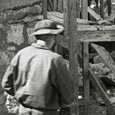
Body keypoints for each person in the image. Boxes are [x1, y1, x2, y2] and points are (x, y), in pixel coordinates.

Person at [2, 19, 75, 115]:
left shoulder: (21, 54)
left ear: (36, 36)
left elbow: (7, 84)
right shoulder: (55, 60)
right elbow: (68, 95)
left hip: (23, 111)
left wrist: (21, 97)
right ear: (54, 37)